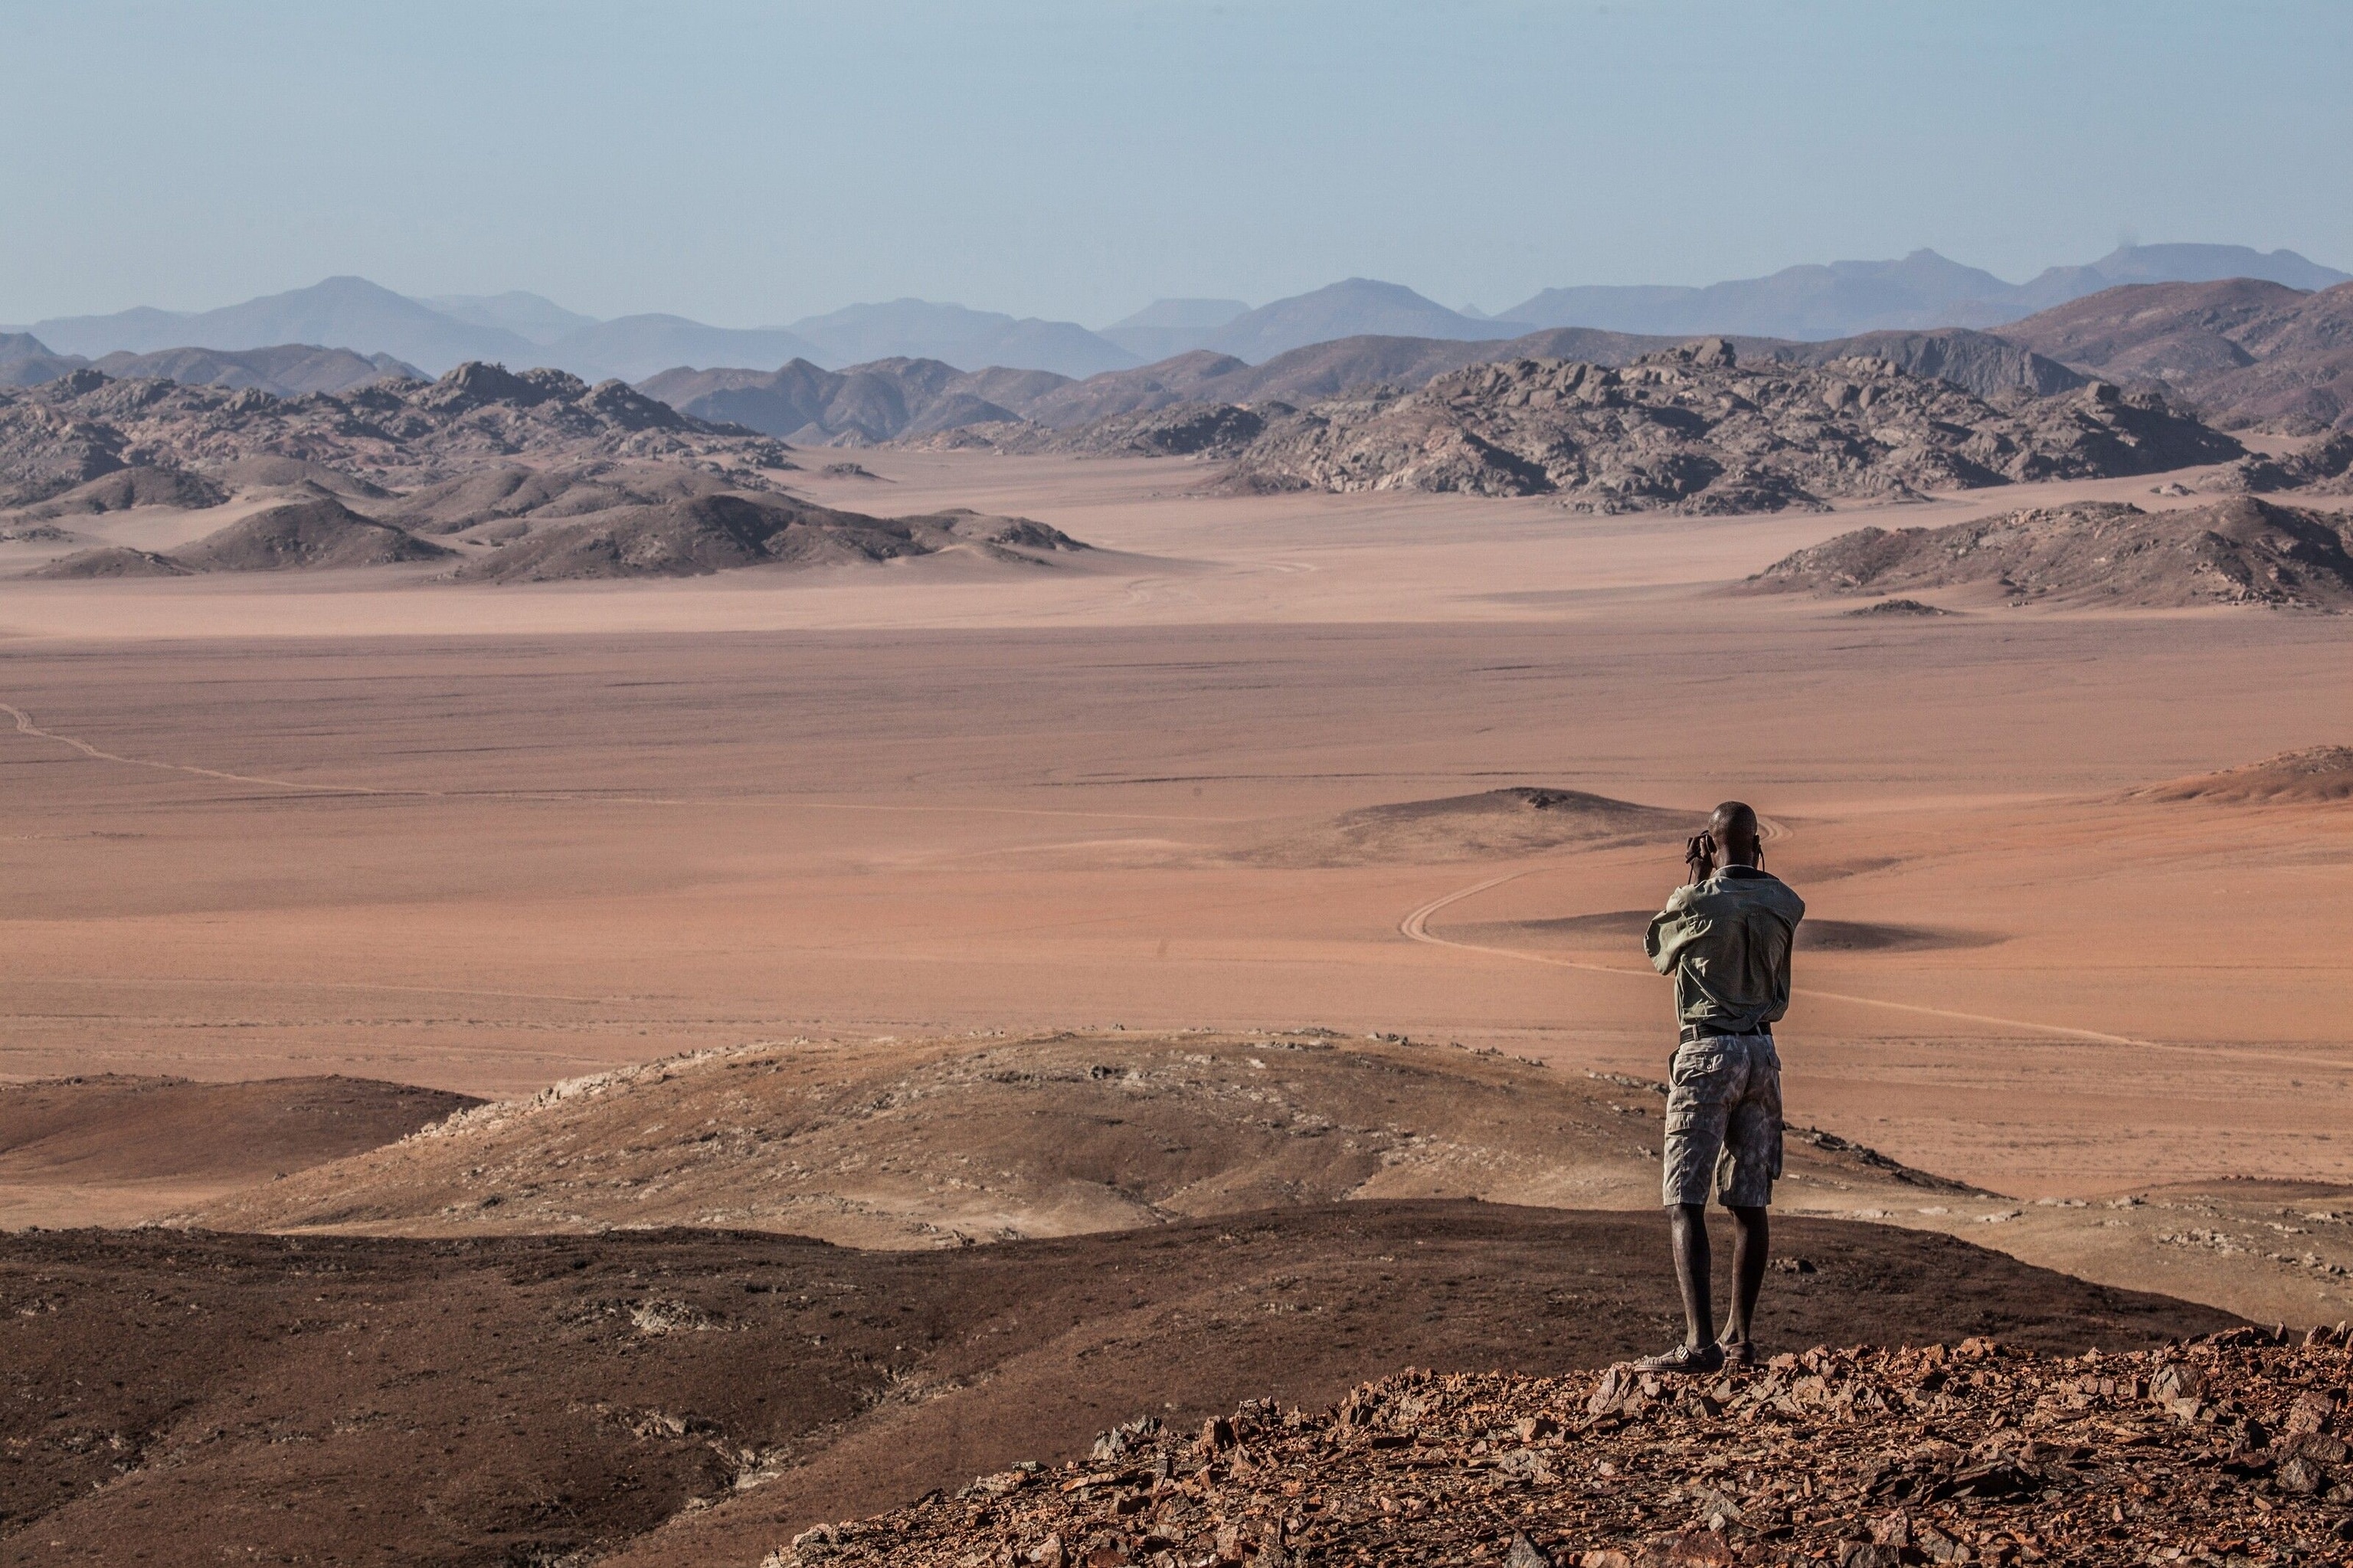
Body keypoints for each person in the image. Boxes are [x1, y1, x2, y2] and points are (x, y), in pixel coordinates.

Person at [1633, 800, 1804, 1374]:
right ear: (1757, 843)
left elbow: (1660, 949)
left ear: (1710, 841)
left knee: (1684, 1199)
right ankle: (1741, 1338)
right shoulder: (1782, 902)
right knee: (1750, 1201)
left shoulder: (1696, 901)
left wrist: (1694, 875)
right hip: (1762, 1051)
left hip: (1707, 1052)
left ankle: (1700, 1342)